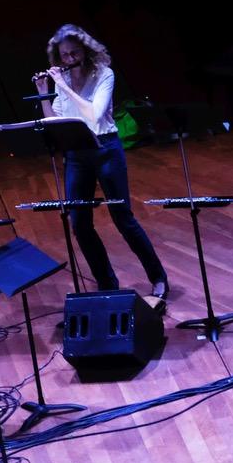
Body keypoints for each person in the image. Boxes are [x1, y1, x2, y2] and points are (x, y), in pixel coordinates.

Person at [34, 24, 168, 299]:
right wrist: (44, 91)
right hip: (76, 154)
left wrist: (63, 86)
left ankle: (158, 277)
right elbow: (55, 121)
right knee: (79, 223)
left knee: (123, 218)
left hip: (105, 148)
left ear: (85, 50)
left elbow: (94, 115)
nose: (69, 60)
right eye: (64, 55)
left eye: (73, 53)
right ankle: (107, 283)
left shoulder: (104, 75)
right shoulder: (63, 81)